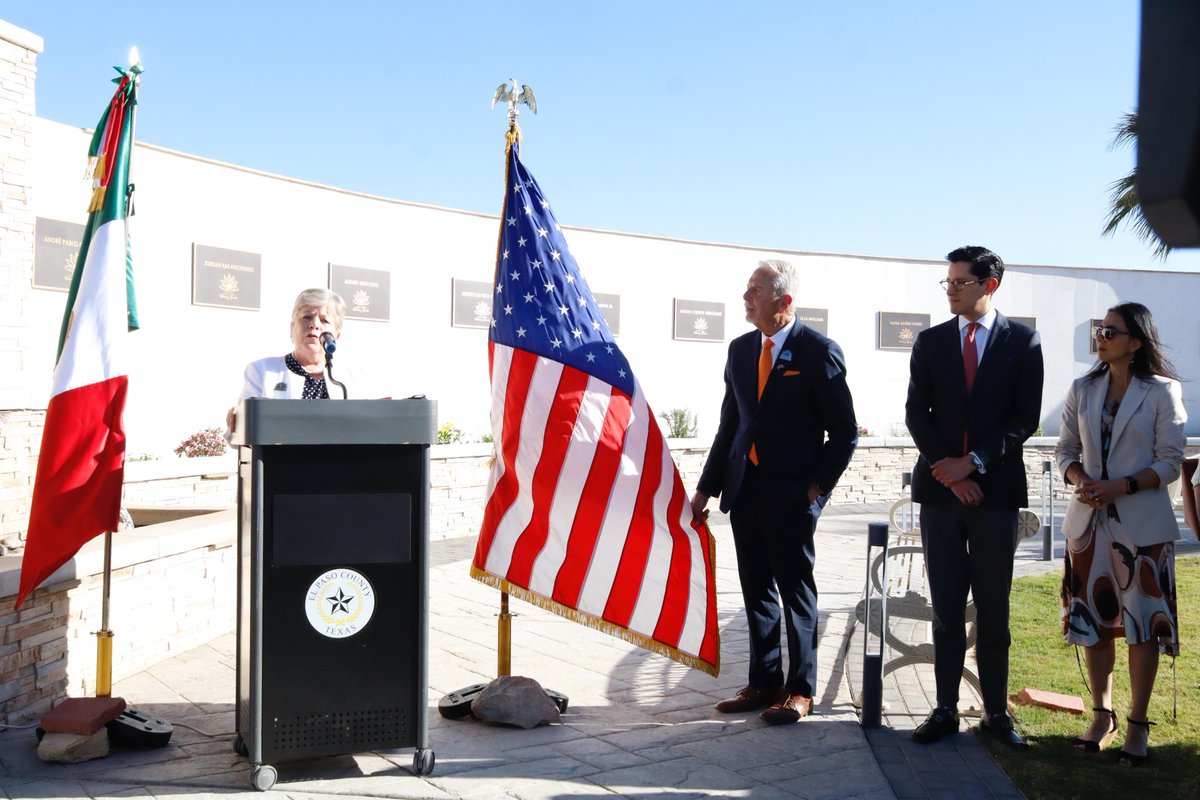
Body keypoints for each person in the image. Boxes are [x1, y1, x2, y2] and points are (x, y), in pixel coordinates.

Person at [691, 260, 858, 725]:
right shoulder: (741, 350)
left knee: (795, 592)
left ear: (784, 302)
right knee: (756, 590)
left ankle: (800, 690)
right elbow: (731, 425)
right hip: (745, 490)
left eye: (756, 290)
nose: (746, 297)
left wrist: (816, 490)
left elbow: (843, 433)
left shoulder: (819, 351)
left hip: (792, 495)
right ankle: (764, 681)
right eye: (747, 288)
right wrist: (705, 489)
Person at [905, 246, 1043, 748]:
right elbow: (917, 414)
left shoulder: (1022, 342)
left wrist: (976, 463)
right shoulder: (931, 341)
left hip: (995, 495)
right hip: (942, 498)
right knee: (945, 607)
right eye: (948, 282)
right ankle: (944, 710)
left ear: (990, 286)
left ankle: (996, 713)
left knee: (993, 609)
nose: (952, 289)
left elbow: (1024, 419)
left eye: (960, 282)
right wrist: (951, 473)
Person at [1056, 302, 1185, 766]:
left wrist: (1122, 485)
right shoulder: (1082, 388)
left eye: (1111, 331)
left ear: (1136, 342)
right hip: (1089, 527)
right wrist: (1079, 480)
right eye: (1099, 329)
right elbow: (1065, 451)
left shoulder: (1162, 392)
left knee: (1142, 626)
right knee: (1093, 624)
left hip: (1143, 530)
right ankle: (1101, 714)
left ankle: (1138, 723)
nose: (1101, 337)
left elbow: (1171, 460)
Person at [225, 288, 348, 436]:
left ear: (337, 335)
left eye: (324, 320)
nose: (314, 324)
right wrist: (239, 420)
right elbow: (241, 433)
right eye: (307, 317)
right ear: (292, 328)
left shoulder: (350, 379)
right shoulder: (261, 371)